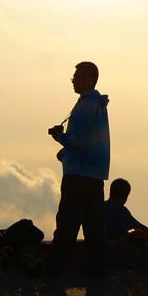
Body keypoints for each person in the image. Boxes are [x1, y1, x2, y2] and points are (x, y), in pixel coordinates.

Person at [48, 61, 111, 275]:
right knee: (94, 226)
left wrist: (60, 137)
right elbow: (91, 141)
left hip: (78, 174)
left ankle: (56, 267)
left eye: (76, 77)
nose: (73, 81)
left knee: (67, 222)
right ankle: (96, 270)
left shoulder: (85, 105)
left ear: (89, 79)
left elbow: (79, 141)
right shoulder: (98, 104)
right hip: (95, 173)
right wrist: (66, 149)